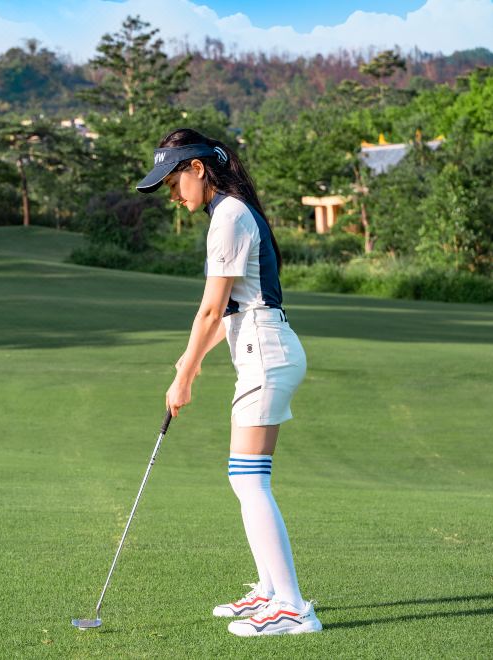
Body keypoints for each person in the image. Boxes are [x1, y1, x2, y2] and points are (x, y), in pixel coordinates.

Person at [136, 128, 322, 637]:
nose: (174, 196)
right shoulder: (231, 212)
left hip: (265, 354)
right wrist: (189, 361)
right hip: (264, 348)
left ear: (197, 169)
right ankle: (270, 591)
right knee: (247, 478)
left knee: (248, 480)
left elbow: (211, 309)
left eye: (173, 183)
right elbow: (233, 311)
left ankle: (291, 607)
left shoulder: (230, 216)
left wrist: (185, 379)